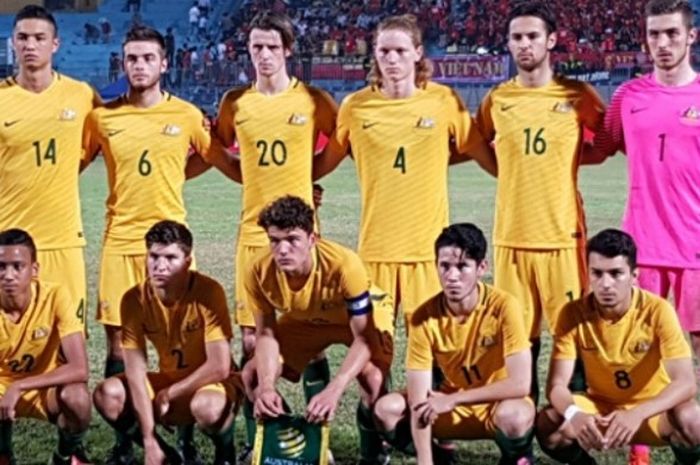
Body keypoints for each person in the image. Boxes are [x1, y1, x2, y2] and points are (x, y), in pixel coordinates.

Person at [204, 11, 337, 448]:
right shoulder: (235, 104)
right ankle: (255, 439)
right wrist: (246, 180)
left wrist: (306, 180)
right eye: (256, 47)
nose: (263, 55)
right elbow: (219, 150)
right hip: (252, 235)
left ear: (288, 50)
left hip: (302, 237)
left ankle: (320, 441)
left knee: (312, 336)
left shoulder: (313, 101)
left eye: (271, 47)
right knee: (249, 341)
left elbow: (339, 144)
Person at [313, 14, 495, 325]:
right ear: (374, 54)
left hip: (430, 252)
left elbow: (478, 151)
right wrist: (302, 184)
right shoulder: (355, 107)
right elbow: (325, 162)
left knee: (434, 350)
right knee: (373, 351)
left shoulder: (443, 101)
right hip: (375, 250)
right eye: (384, 51)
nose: (391, 59)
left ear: (418, 53)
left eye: (400, 51)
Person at [82, 25, 210, 464]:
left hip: (171, 246)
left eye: (147, 58)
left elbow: (211, 158)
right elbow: (74, 161)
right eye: (131, 58)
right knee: (120, 347)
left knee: (182, 342)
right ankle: (126, 435)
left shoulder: (190, 115)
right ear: (124, 63)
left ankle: (189, 435)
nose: (138, 65)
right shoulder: (103, 117)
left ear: (164, 63)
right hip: (120, 244)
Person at [474, 0, 605, 400]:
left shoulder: (578, 95)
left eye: (533, 36)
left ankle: (571, 432)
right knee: (518, 342)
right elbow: (481, 146)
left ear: (551, 40)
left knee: (572, 338)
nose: (524, 44)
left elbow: (603, 144)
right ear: (509, 44)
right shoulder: (497, 99)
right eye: (517, 37)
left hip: (561, 238)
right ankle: (521, 440)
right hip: (511, 237)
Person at [240, 196, 394, 465]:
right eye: (275, 240)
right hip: (307, 319)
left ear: (313, 239)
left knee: (373, 380)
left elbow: (364, 338)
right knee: (252, 375)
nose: (282, 250)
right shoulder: (257, 269)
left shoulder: (345, 264)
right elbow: (266, 334)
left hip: (356, 320)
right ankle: (296, 443)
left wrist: (335, 389)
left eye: (292, 239)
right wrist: (266, 386)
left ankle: (373, 454)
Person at [595, 0, 700, 373]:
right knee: (641, 346)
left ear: (691, 35)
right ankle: (646, 429)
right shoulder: (628, 96)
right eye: (654, 34)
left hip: (695, 248)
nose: (663, 42)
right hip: (643, 245)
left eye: (672, 33)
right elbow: (602, 146)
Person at [372, 223, 534, 465]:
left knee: (516, 415)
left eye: (462, 266)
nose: (452, 276)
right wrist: (425, 461)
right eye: (444, 266)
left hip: (494, 406)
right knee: (387, 409)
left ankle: (515, 458)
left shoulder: (504, 306)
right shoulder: (423, 317)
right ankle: (439, 459)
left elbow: (521, 384)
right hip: (447, 408)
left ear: (481, 268)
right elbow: (418, 399)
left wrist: (456, 399)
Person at [536, 229, 700, 465]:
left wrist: (638, 413)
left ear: (634, 275)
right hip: (601, 410)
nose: (605, 284)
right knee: (548, 424)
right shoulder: (572, 313)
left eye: (616, 274)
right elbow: (556, 386)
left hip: (649, 412)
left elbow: (685, 383)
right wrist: (575, 414)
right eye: (597, 274)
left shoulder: (657, 310)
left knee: (692, 420)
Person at [93, 221, 240, 465]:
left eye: (171, 257)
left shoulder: (209, 292)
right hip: (169, 381)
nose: (160, 266)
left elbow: (220, 366)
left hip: (212, 384)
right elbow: (136, 373)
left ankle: (226, 452)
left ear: (188, 261)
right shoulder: (133, 299)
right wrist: (149, 438)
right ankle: (165, 456)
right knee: (107, 394)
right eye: (154, 256)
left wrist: (168, 394)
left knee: (208, 407)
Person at [0, 4, 98, 348]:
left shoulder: (81, 95)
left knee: (69, 343)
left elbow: (96, 145)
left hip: (63, 241)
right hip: (8, 242)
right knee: (12, 341)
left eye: (39, 38)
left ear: (54, 44)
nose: (30, 45)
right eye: (23, 37)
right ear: (12, 42)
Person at [0, 229, 91, 465]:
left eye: (17, 266)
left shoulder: (55, 296)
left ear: (34, 270)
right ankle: (3, 452)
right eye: (1, 266)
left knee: (77, 398)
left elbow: (80, 368)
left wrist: (19, 386)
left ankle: (64, 456)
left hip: (43, 388)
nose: (8, 275)